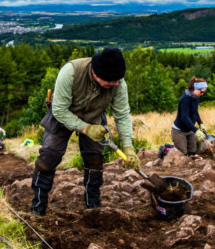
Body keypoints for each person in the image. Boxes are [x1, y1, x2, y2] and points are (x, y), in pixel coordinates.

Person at [30, 47, 139, 216]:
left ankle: (93, 207)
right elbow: (59, 110)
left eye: (117, 80)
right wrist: (85, 128)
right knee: (48, 159)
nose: (116, 84)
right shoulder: (71, 72)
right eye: (111, 81)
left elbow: (122, 115)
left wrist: (128, 147)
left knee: (94, 161)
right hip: (62, 116)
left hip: (94, 119)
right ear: (96, 74)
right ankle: (37, 207)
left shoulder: (118, 82)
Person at [171, 77, 208, 156]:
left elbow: (195, 112)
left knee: (193, 152)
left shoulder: (196, 98)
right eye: (201, 92)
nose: (202, 94)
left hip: (189, 129)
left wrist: (200, 123)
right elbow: (184, 118)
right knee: (183, 154)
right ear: (196, 89)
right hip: (179, 130)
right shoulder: (185, 99)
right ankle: (165, 151)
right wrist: (196, 131)